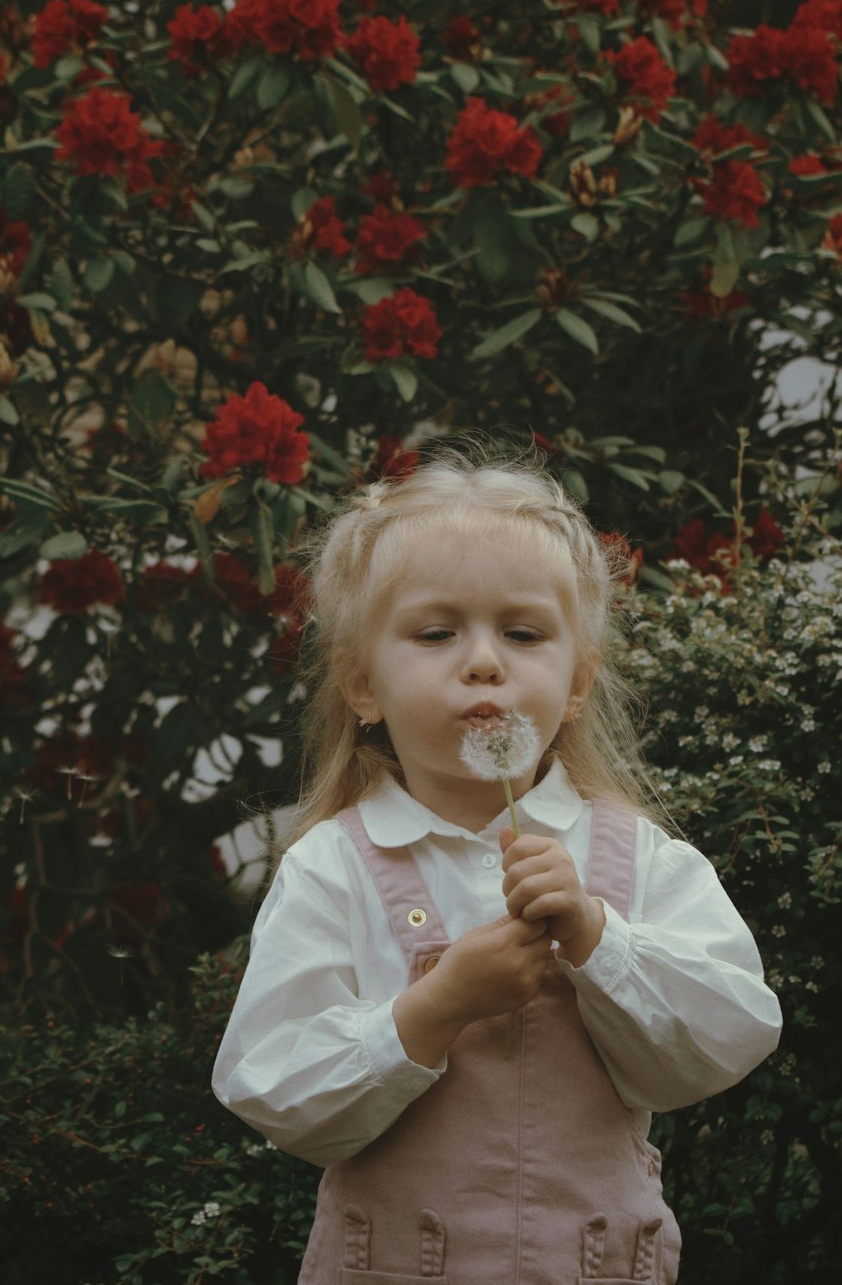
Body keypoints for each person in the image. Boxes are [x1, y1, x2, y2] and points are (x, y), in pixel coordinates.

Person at [212, 444, 782, 1284]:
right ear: (362, 685)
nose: (484, 660)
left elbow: (726, 1038)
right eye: (437, 632)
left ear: (577, 683)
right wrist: (435, 1008)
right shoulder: (332, 867)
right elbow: (277, 1092)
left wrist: (597, 938)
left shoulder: (636, 856)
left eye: (522, 633)